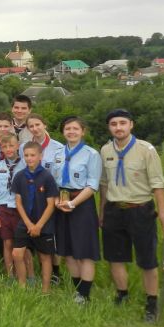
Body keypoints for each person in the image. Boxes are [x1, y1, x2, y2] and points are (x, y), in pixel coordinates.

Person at [99, 109, 164, 323]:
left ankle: (152, 303)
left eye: (123, 123)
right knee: (115, 257)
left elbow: (158, 184)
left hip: (140, 209)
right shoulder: (105, 150)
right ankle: (122, 294)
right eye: (113, 124)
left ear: (131, 125)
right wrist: (102, 211)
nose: (118, 127)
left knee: (147, 260)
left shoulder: (146, 150)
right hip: (114, 210)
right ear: (109, 127)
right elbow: (104, 184)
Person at [53, 116, 102, 304]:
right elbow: (53, 181)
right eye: (67, 129)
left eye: (75, 129)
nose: (71, 132)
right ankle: (77, 290)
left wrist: (73, 204)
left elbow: (92, 185)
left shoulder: (91, 154)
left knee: (85, 250)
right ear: (63, 132)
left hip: (81, 204)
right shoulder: (58, 154)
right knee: (68, 250)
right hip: (61, 202)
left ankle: (85, 294)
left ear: (83, 131)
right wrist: (58, 200)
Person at [22, 112, 66, 282]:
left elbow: (61, 175)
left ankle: (55, 271)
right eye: (31, 126)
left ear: (44, 125)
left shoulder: (58, 148)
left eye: (37, 124)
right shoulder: (24, 146)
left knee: (50, 234)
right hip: (31, 196)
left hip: (51, 197)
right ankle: (38, 269)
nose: (35, 128)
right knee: (33, 231)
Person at [11, 141, 59, 293]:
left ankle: (46, 290)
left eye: (33, 155)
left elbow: (51, 204)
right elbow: (18, 202)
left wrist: (38, 226)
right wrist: (28, 224)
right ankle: (22, 284)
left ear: (40, 156)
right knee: (17, 253)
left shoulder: (47, 177)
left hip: (43, 223)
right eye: (26, 155)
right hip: (25, 221)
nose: (29, 158)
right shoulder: (19, 176)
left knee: (45, 256)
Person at [0, 133, 24, 279]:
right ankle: (10, 275)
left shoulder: (25, 164)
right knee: (7, 242)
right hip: (3, 208)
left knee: (22, 244)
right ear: (1, 148)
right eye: (4, 146)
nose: (8, 149)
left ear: (17, 146)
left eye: (11, 145)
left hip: (20, 209)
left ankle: (25, 275)